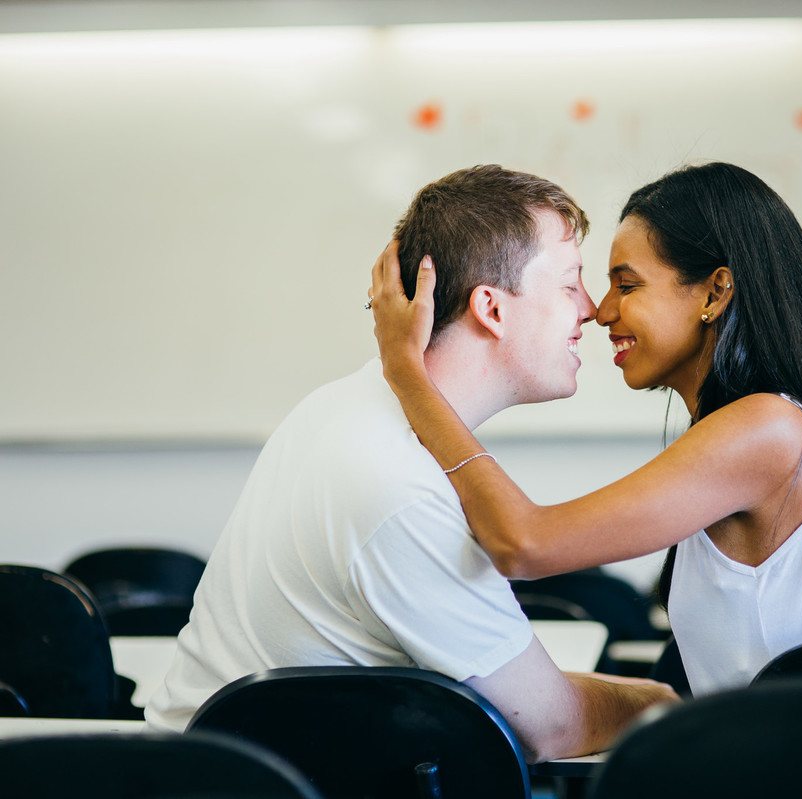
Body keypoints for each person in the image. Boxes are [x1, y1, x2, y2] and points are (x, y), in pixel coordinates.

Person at [145, 165, 677, 760]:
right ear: (491, 308)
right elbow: (547, 725)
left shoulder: (340, 408)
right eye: (570, 283)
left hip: (212, 771)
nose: (593, 310)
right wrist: (660, 702)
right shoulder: (397, 484)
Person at [370, 161, 802, 697]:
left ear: (715, 292)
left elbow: (524, 546)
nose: (601, 311)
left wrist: (409, 374)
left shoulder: (766, 428)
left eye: (628, 285)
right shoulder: (760, 424)